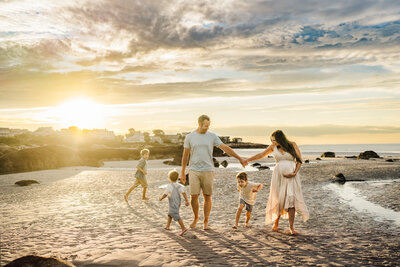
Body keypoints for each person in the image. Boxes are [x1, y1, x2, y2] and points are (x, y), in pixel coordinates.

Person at [181, 115, 247, 230]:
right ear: (199, 124)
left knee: (207, 196)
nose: (207, 128)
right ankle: (196, 218)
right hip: (194, 170)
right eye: (205, 125)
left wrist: (239, 158)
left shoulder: (212, 136)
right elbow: (185, 155)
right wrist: (182, 172)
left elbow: (225, 148)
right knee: (193, 196)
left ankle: (205, 221)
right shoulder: (190, 137)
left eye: (208, 126)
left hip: (208, 170)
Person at [245, 130, 309, 235]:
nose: (274, 142)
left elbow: (299, 160)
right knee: (279, 198)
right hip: (278, 176)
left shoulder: (292, 145)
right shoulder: (273, 147)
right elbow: (261, 155)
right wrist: (247, 160)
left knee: (291, 199)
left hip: (292, 176)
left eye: (275, 140)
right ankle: (276, 223)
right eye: (272, 140)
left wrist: (294, 173)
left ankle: (291, 227)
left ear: (281, 138)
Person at [159, 170, 189, 236]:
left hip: (173, 202)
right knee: (170, 213)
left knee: (175, 213)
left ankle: (183, 228)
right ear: (177, 177)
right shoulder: (179, 186)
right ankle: (167, 226)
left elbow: (165, 194)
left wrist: (161, 198)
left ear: (169, 178)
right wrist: (186, 200)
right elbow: (184, 193)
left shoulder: (169, 186)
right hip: (178, 202)